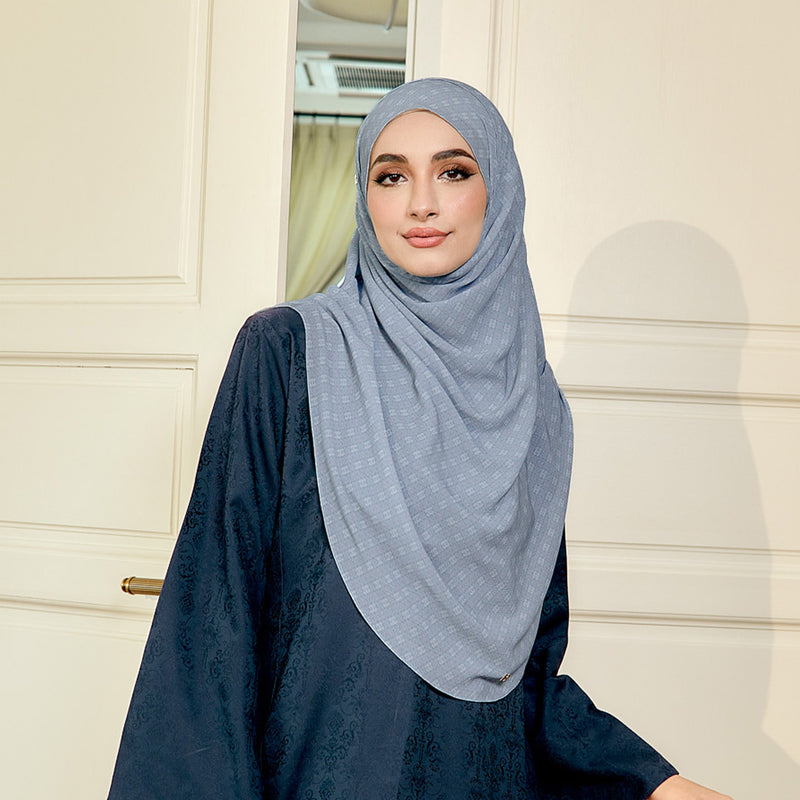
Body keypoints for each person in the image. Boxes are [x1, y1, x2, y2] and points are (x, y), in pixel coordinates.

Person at [107, 78, 731, 800]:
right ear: (365, 196)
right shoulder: (288, 353)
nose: (421, 204)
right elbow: (212, 623)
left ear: (500, 194)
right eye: (391, 176)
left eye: (454, 172)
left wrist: (657, 782)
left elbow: (521, 676)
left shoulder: (530, 409)